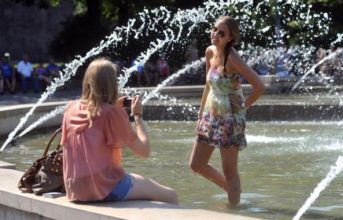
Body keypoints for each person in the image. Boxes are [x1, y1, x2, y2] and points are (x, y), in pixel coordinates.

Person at [60, 58, 178, 204]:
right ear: (112, 84)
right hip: (104, 187)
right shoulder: (112, 113)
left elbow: (94, 116)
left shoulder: (70, 108)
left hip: (75, 189)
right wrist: (138, 116)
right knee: (171, 195)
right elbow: (144, 151)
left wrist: (113, 107)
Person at [189, 16, 264, 206]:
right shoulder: (210, 52)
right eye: (214, 29)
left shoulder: (232, 57)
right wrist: (200, 115)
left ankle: (234, 210)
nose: (215, 34)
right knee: (196, 164)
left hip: (230, 117)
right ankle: (232, 190)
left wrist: (244, 105)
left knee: (230, 171)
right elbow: (208, 85)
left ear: (230, 38)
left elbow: (259, 86)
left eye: (221, 33)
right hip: (210, 112)